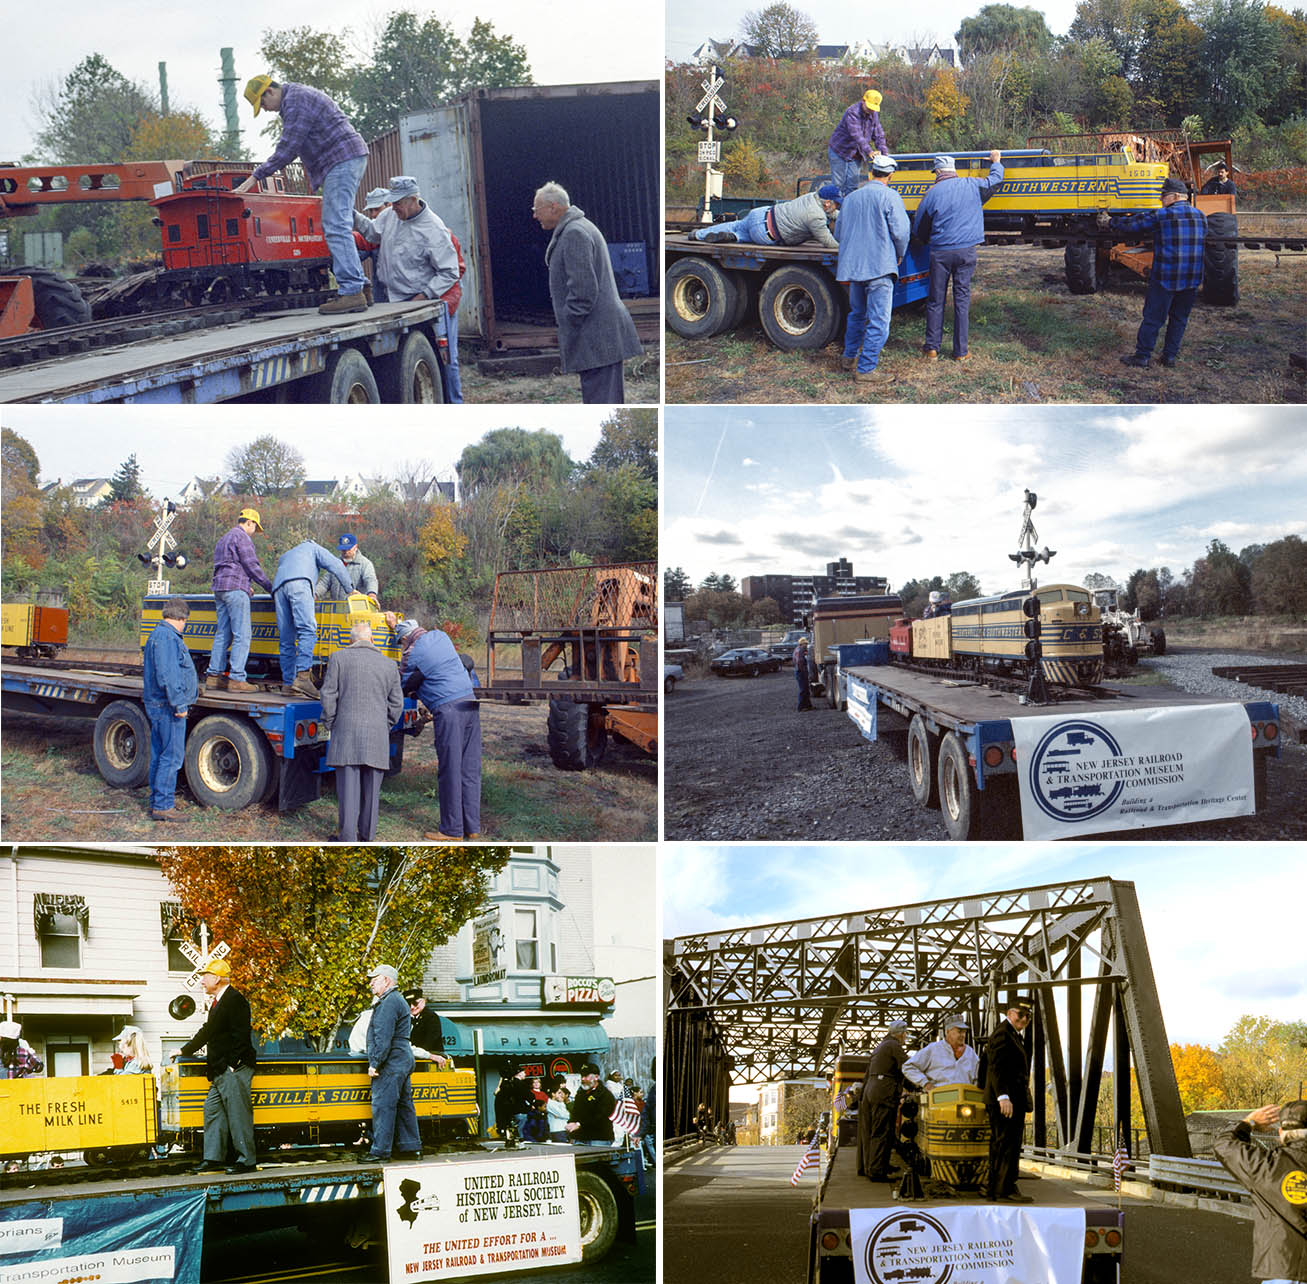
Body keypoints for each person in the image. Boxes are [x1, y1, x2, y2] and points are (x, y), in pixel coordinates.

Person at [236, 76, 370, 315]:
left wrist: (255, 177)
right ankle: (362, 288)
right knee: (339, 221)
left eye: (262, 104)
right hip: (342, 160)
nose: (265, 110)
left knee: (335, 225)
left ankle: (352, 292)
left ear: (269, 92)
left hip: (342, 159)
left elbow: (288, 148)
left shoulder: (296, 101)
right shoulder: (296, 98)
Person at [353, 175, 465, 402]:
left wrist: (424, 296)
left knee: (446, 358)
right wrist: (352, 215)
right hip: (397, 298)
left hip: (426, 300)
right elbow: (373, 233)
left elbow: (450, 272)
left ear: (414, 200)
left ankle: (454, 403)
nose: (393, 207)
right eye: (392, 202)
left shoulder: (434, 230)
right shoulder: (389, 215)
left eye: (398, 203)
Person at [532, 182, 644, 404]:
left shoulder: (574, 233)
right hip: (600, 337)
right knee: (604, 398)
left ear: (553, 207)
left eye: (536, 210)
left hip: (597, 337)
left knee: (602, 401)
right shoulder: (577, 228)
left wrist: (569, 322)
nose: (535, 216)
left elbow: (583, 291)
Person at [388, 613, 482, 840]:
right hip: (470, 704)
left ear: (405, 639)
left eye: (401, 642)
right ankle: (472, 827)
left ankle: (452, 830)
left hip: (449, 711)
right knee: (469, 769)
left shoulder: (412, 653)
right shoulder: (441, 636)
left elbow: (403, 685)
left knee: (450, 769)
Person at [912, 151, 1005, 361]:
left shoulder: (932, 193)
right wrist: (996, 163)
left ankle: (932, 348)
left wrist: (924, 241)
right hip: (966, 252)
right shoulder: (972, 185)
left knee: (936, 300)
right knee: (962, 300)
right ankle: (961, 352)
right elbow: (995, 181)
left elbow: (919, 228)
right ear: (954, 170)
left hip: (941, 253)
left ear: (937, 171)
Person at [1108, 177, 1208, 369]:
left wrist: (1110, 221)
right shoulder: (1201, 216)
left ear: (1176, 196)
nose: (1162, 200)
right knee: (1179, 318)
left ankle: (1142, 356)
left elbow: (1132, 225)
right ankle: (1169, 357)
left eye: (1164, 196)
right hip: (1192, 278)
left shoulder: (1163, 216)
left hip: (1166, 277)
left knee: (1153, 318)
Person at [319, 620, 404, 842]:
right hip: (377, 735)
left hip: (346, 732)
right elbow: (397, 704)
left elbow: (328, 695)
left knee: (348, 789)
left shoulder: (338, 658)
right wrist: (383, 725)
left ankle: (347, 837)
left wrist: (331, 722)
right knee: (372, 791)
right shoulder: (389, 665)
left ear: (351, 640)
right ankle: (367, 836)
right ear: (372, 640)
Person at [176, 958, 258, 1174]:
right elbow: (208, 1031)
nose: (202, 980)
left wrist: (232, 1064)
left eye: (206, 976)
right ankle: (213, 1159)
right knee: (212, 1110)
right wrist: (185, 1050)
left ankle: (246, 1161)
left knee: (238, 1115)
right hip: (220, 1070)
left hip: (233, 1068)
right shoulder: (218, 1002)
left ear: (218, 978)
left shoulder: (235, 1000)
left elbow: (242, 1036)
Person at [1213, 1100, 1307, 1283]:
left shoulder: (1265, 1166)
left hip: (1282, 1270)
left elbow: (1224, 1145)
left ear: (1281, 1132)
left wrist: (1250, 1123)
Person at [835, 153, 910, 384]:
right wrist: (899, 254)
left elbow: (838, 233)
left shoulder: (851, 198)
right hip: (879, 267)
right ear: (891, 175)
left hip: (855, 268)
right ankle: (866, 369)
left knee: (857, 314)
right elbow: (901, 232)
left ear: (871, 172)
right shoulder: (890, 196)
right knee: (879, 320)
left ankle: (848, 358)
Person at [272, 540, 353, 699]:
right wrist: (350, 589)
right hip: (300, 584)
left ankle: (288, 684)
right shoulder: (314, 547)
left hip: (278, 589)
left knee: (286, 638)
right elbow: (336, 565)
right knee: (307, 631)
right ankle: (302, 678)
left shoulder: (287, 554)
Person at [143, 595, 198, 822]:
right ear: (182, 618)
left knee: (160, 754)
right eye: (185, 621)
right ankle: (163, 806)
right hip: (168, 706)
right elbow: (168, 675)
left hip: (159, 704)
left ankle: (157, 801)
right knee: (171, 756)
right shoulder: (167, 637)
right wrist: (179, 704)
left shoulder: (157, 635)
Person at [360, 963, 420, 1162]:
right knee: (404, 1105)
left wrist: (374, 1063)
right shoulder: (398, 1000)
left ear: (386, 980)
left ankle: (380, 1152)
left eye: (374, 979)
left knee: (383, 1105)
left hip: (391, 1060)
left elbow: (382, 1037)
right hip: (402, 1057)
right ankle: (411, 1148)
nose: (370, 984)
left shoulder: (387, 1003)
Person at [208, 508, 272, 694]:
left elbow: (228, 567)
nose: (254, 532)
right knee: (243, 634)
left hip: (220, 589)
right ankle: (236, 678)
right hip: (235, 590)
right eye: (255, 527)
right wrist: (270, 587)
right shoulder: (242, 537)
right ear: (250, 522)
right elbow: (251, 565)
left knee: (223, 633)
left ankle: (214, 676)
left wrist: (245, 585)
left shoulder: (223, 538)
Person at [982, 999, 1034, 1203]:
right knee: (1004, 1143)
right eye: (1020, 1015)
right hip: (1006, 1101)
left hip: (1010, 1100)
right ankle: (1001, 1189)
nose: (1024, 1019)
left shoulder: (1011, 1034)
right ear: (1010, 1013)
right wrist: (1003, 1096)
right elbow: (996, 1067)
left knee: (1007, 1144)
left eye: (1027, 1017)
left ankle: (1000, 1187)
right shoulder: (1003, 1034)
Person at [690, 186, 840, 248]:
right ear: (827, 203)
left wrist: (841, 215)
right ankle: (735, 237)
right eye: (836, 204)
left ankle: (697, 235)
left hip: (761, 213)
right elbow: (828, 242)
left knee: (737, 225)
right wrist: (842, 248)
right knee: (747, 235)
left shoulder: (812, 197)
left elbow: (831, 213)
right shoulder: (816, 218)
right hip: (767, 234)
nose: (837, 207)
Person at [859, 1019, 908, 1180]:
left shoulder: (881, 1046)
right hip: (883, 1092)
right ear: (901, 1034)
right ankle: (876, 1171)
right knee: (882, 1131)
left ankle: (875, 1166)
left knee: (872, 1132)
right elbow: (908, 1066)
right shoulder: (893, 1046)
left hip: (871, 1090)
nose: (905, 1037)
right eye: (905, 1034)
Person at [828, 89, 889, 197]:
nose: (871, 110)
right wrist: (869, 151)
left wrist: (884, 154)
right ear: (863, 101)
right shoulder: (852, 112)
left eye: (873, 108)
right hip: (839, 151)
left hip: (856, 154)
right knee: (838, 185)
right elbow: (857, 135)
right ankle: (836, 212)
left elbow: (878, 134)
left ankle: (849, 210)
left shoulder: (873, 114)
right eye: (869, 107)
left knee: (852, 186)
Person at [903, 1015, 979, 1090]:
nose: (963, 1035)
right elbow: (908, 1067)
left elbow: (978, 1076)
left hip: (965, 1098)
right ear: (947, 1032)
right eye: (959, 1031)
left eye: (964, 1032)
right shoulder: (933, 1049)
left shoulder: (970, 1053)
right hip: (940, 1098)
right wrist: (926, 1084)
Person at [316, 534, 379, 603]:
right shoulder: (335, 563)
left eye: (348, 549)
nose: (345, 552)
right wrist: (314, 594)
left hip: (357, 609)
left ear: (355, 547)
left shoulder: (365, 564)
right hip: (337, 608)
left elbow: (370, 580)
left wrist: (372, 594)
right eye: (343, 549)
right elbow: (325, 583)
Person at [355, 187, 391, 303]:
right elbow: (360, 246)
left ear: (390, 206)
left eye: (377, 209)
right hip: (382, 296)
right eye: (371, 211)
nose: (374, 214)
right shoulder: (373, 238)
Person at [567, 1064, 617, 1146]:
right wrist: (571, 1124)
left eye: (586, 1076)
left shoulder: (605, 1095)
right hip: (580, 1138)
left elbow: (600, 1117)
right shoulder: (580, 1094)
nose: (583, 1079)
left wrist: (579, 1124)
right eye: (582, 1076)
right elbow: (575, 1112)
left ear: (596, 1077)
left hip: (599, 1138)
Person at [403, 990, 448, 1066]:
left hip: (431, 1059)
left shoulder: (431, 1017)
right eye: (408, 1004)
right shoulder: (406, 1019)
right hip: (415, 1058)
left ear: (423, 1001)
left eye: (415, 1003)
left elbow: (429, 1043)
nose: (412, 1007)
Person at [794, 636, 814, 711]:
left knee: (806, 689)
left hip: (798, 671)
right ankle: (800, 707)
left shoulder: (797, 649)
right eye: (805, 644)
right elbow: (800, 662)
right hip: (801, 672)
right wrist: (805, 671)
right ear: (802, 644)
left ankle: (808, 706)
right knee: (803, 690)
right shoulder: (801, 650)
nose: (806, 646)